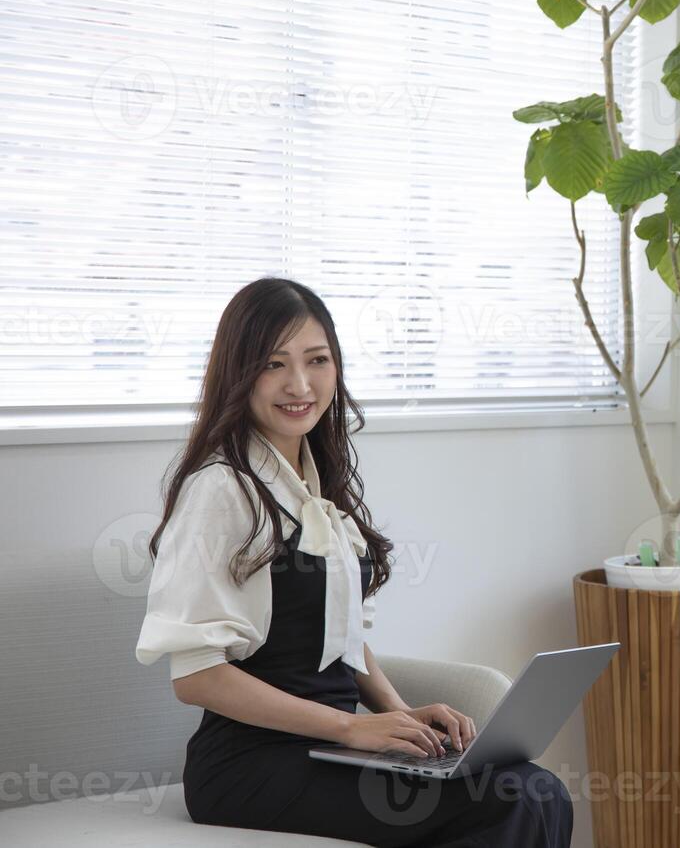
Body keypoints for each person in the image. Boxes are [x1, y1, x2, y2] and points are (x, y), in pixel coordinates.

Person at [135, 277, 572, 847]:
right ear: (239, 374)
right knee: (504, 804)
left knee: (539, 790)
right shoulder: (220, 489)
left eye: (317, 360)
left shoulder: (314, 485)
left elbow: (336, 635)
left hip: (330, 747)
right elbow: (197, 677)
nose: (300, 384)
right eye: (273, 364)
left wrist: (401, 712)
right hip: (249, 766)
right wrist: (354, 728)